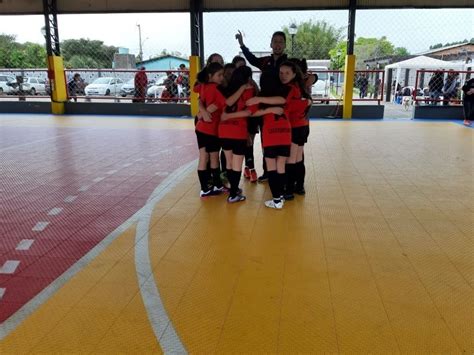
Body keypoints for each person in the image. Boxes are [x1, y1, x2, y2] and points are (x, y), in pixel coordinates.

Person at [236, 30, 288, 182]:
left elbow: (301, 74)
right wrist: (242, 44)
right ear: (271, 44)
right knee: (266, 140)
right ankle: (268, 170)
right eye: (275, 41)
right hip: (264, 106)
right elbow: (251, 59)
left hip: (282, 106)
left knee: (283, 140)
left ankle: (285, 173)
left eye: (281, 42)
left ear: (284, 45)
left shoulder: (289, 63)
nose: (277, 44)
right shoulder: (265, 61)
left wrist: (313, 78)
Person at [195, 62, 250, 198]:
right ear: (210, 76)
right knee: (213, 159)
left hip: (200, 127)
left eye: (223, 75)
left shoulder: (203, 86)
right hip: (211, 129)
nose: (221, 78)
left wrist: (202, 110)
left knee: (203, 157)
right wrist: (242, 87)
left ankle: (205, 188)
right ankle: (216, 185)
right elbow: (228, 102)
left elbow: (199, 97)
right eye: (219, 75)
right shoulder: (217, 88)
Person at [219, 65, 258, 203]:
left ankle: (232, 190)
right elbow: (249, 112)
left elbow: (225, 104)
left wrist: (227, 117)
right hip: (238, 131)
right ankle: (233, 194)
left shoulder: (227, 88)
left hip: (223, 130)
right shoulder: (249, 89)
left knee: (229, 163)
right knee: (236, 164)